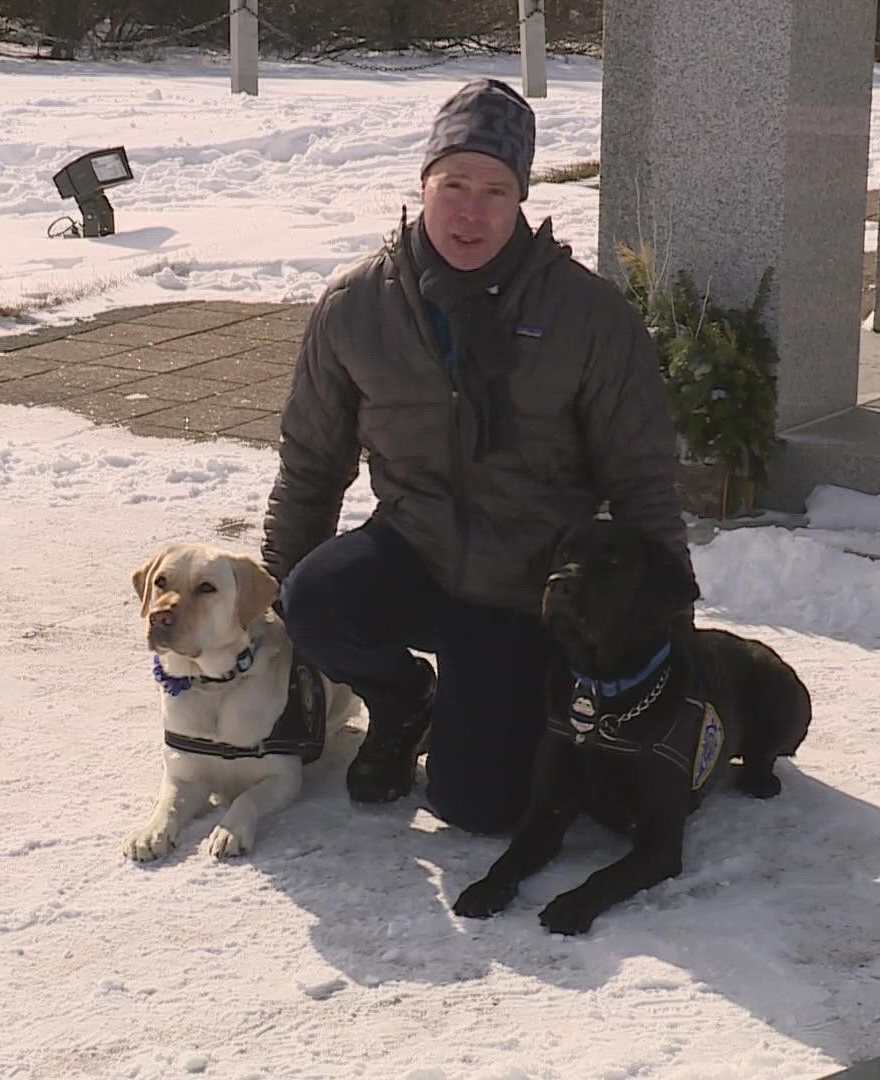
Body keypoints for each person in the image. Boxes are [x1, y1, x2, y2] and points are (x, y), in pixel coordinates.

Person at [260, 77, 693, 836]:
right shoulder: (357, 305)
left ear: (522, 197)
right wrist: (275, 599)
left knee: (479, 809)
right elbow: (313, 459)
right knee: (313, 599)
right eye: (453, 184)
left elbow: (642, 475)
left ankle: (506, 693)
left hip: (526, 586)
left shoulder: (586, 316)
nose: (470, 210)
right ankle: (404, 701)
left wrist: (670, 620)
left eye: (495, 190)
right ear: (423, 184)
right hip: (415, 549)